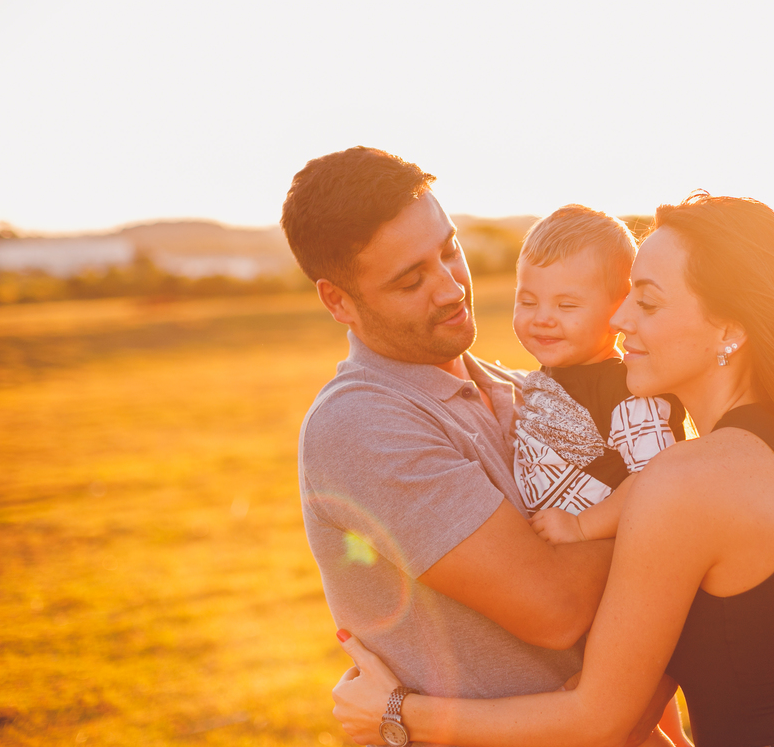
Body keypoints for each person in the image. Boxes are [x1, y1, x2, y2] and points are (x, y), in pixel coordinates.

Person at [332, 193, 774, 746]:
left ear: (730, 328)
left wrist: (397, 713)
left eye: (646, 303)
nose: (620, 318)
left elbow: (598, 721)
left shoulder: (689, 480)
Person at [281, 147, 678, 747]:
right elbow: (558, 608)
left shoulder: (527, 389)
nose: (449, 288)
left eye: (448, 251)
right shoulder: (359, 423)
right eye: (410, 279)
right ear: (338, 301)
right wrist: (674, 527)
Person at [510, 204, 685, 543]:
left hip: (610, 555)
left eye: (567, 305)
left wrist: (583, 526)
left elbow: (657, 479)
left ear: (619, 308)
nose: (542, 318)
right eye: (528, 302)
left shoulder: (629, 390)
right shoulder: (548, 377)